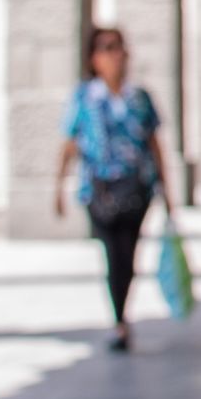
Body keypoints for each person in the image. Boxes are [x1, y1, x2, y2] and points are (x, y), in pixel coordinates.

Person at [54, 26, 174, 353]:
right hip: (100, 189)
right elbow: (69, 142)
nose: (114, 55)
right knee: (112, 252)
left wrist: (167, 189)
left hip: (136, 187)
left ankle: (122, 313)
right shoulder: (84, 97)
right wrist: (58, 188)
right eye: (106, 48)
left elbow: (154, 142)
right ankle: (119, 318)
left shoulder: (140, 97)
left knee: (128, 252)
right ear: (94, 58)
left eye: (118, 47)